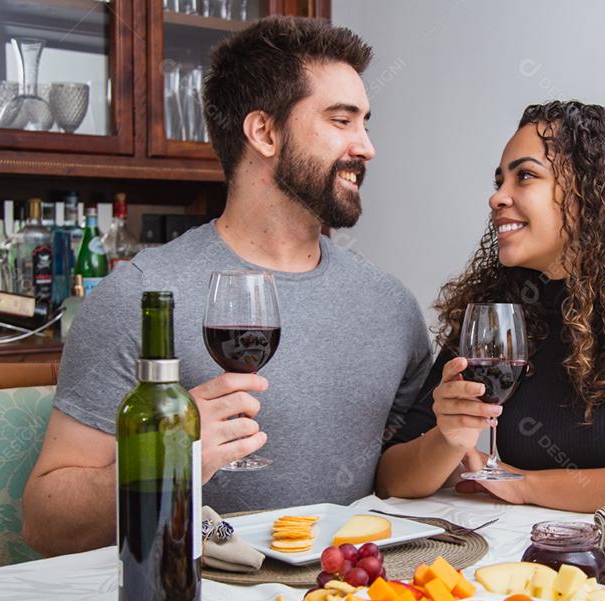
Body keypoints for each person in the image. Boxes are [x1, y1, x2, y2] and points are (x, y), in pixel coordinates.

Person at [23, 17, 431, 557]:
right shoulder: (142, 297)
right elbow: (45, 525)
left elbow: (401, 475)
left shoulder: (392, 306)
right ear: (264, 133)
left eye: (366, 123)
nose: (367, 146)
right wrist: (172, 460)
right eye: (341, 121)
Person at [376, 101, 605, 520]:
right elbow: (390, 479)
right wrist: (448, 440)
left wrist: (524, 485)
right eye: (499, 179)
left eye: (525, 176)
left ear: (593, 192)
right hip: (515, 561)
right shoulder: (497, 319)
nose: (497, 196)